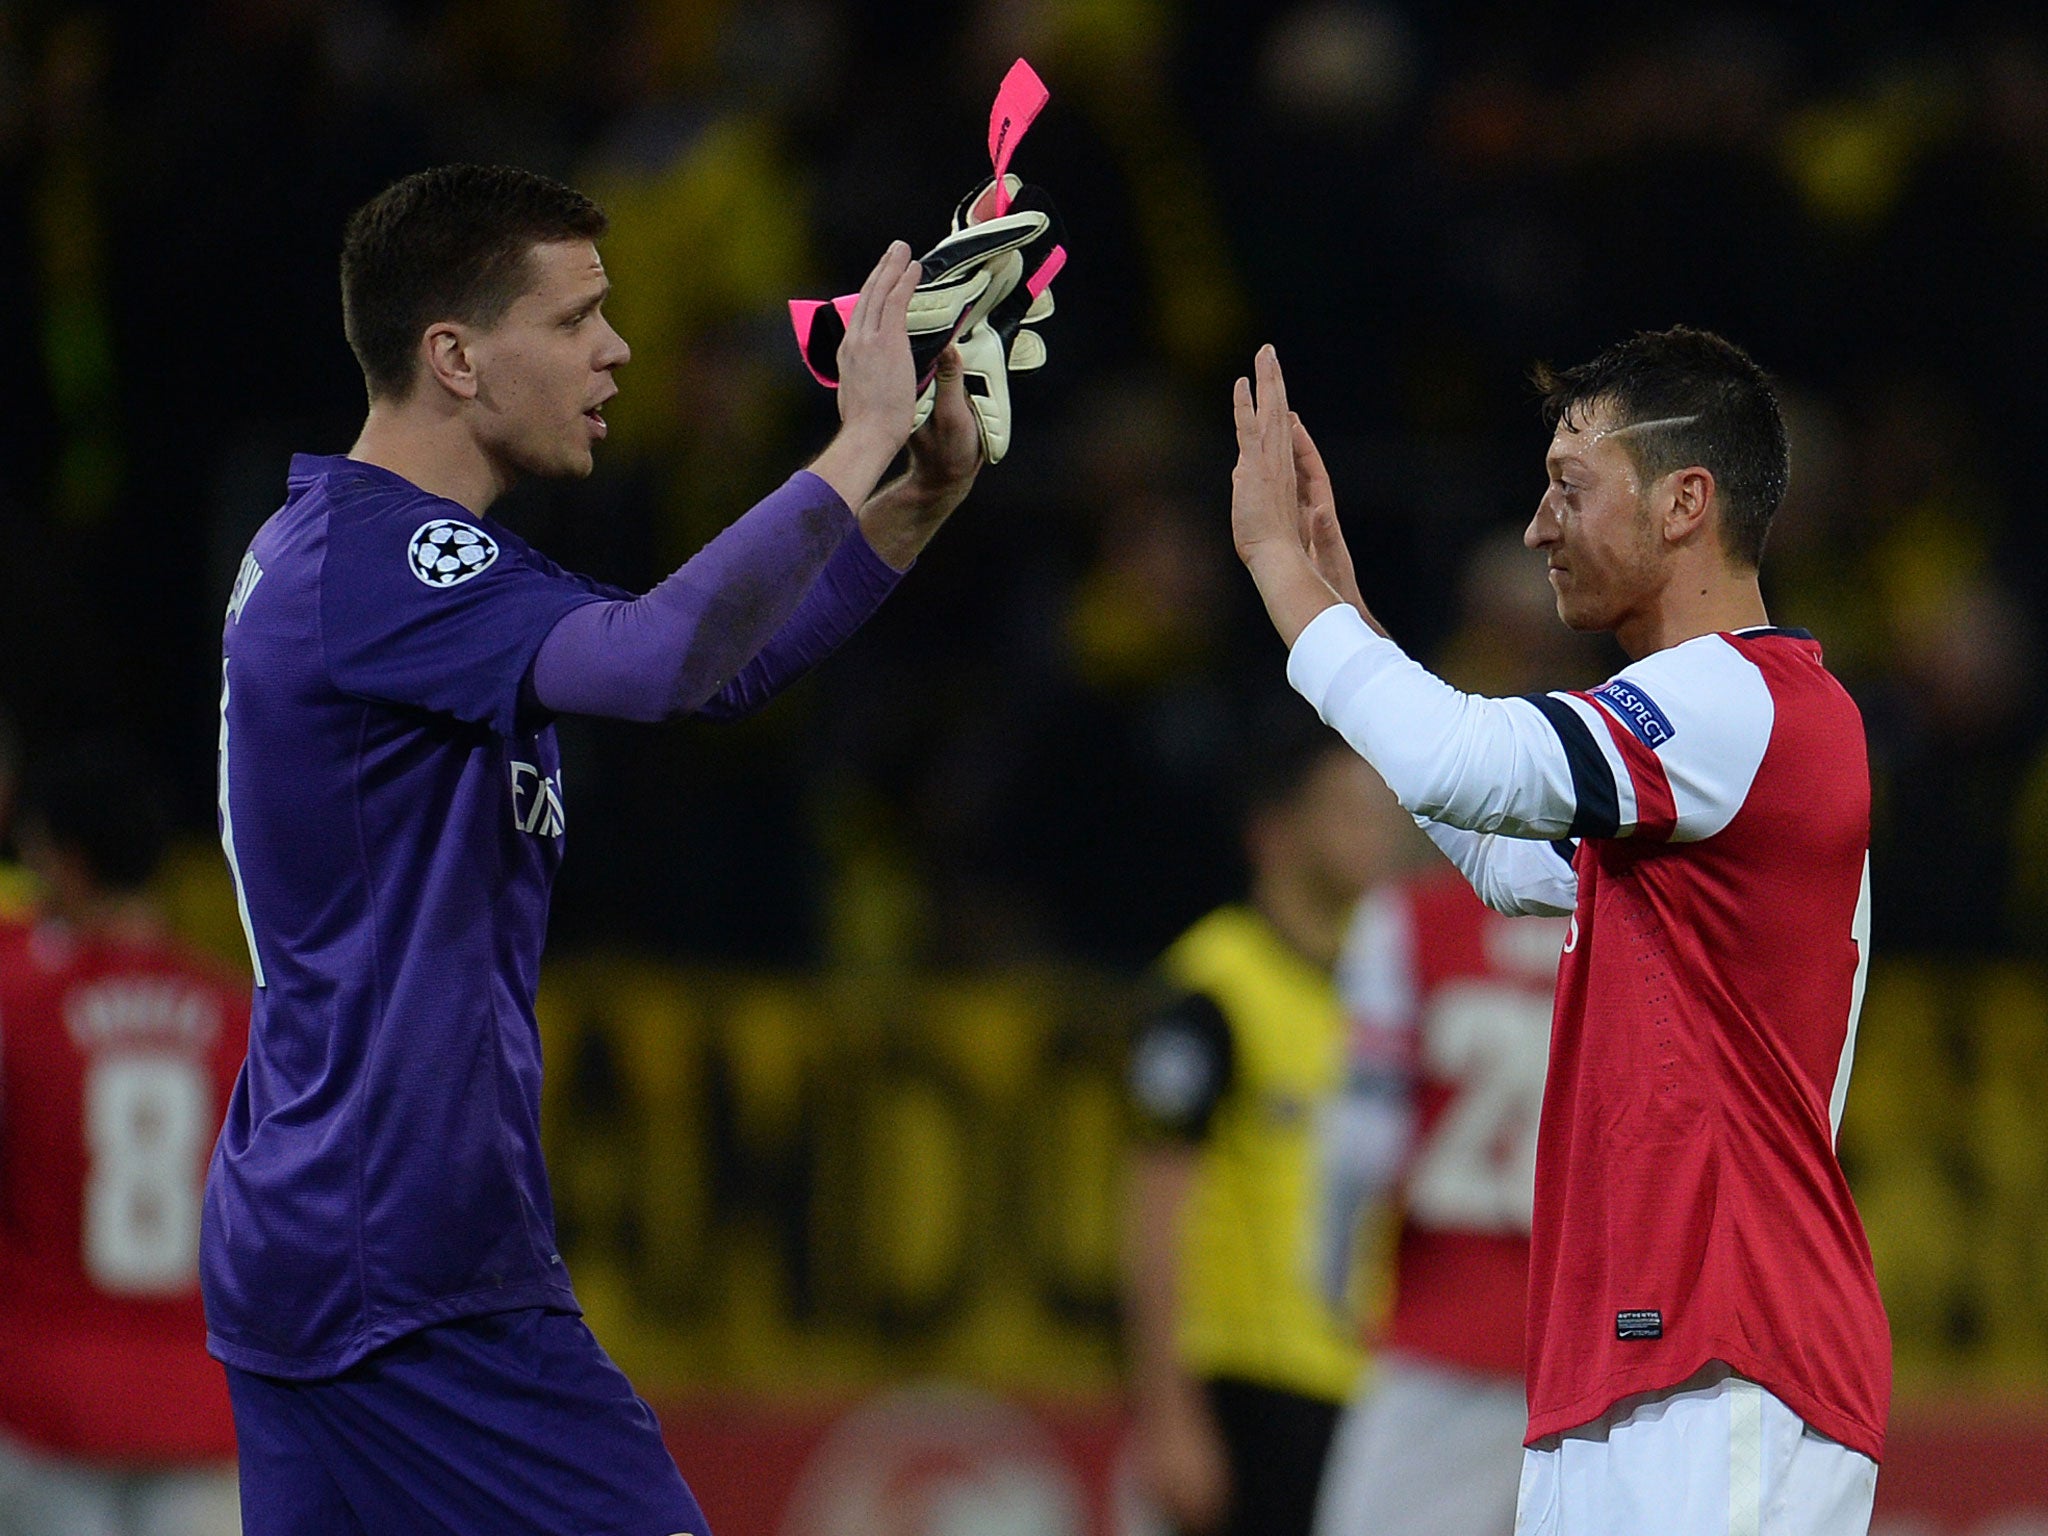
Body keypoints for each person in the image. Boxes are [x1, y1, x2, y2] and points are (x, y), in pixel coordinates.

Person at [205, 164, 985, 1535]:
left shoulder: (406, 566)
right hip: (410, 1267)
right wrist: (855, 440)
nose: (616, 348)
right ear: (455, 356)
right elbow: (663, 657)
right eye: (576, 320)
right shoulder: (383, 563)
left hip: (329, 1230)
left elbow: (712, 672)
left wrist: (912, 502)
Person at [1228, 329, 1890, 1536]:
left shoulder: (1741, 702)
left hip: (1727, 1363)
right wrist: (1342, 610)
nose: (1537, 526)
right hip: (1633, 1373)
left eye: (1568, 488)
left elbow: (1459, 761)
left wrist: (1276, 570)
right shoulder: (1697, 762)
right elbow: (1489, 845)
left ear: (1684, 502)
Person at [1122, 713, 1406, 1536]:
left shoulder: (1386, 986)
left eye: (1379, 811)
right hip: (1248, 1386)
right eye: (1347, 812)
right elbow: (1154, 1211)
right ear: (1276, 834)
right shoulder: (1210, 992)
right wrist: (1170, 1416)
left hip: (1367, 1381)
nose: (1375, 834)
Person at [0, 737, 249, 1536]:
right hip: (205, 1404)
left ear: (67, 863)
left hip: (43, 1407)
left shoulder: (17, 1005)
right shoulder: (240, 1020)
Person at [1312, 860, 1566, 1536]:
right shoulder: (1641, 914)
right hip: (1602, 1348)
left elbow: (1363, 1143)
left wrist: (1333, 1274)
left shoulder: (1406, 919)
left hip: (1445, 1326)